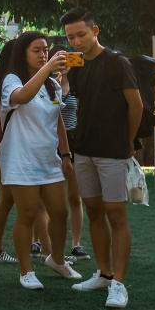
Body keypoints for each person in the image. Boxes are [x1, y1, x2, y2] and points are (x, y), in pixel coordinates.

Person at [61, 7, 141, 309]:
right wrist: (65, 77)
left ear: (96, 31)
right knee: (93, 211)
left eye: (81, 34)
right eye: (71, 37)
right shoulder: (76, 64)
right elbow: (77, 101)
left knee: (116, 216)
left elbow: (136, 105)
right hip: (84, 148)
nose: (77, 41)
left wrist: (129, 141)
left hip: (113, 150)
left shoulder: (118, 62)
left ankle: (119, 283)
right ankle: (104, 273)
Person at [0, 32, 82, 290]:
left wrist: (66, 155)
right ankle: (26, 271)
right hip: (20, 158)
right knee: (27, 213)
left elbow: (58, 121)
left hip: (49, 158)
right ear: (23, 53)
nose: (43, 54)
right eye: (37, 50)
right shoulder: (11, 79)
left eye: (45, 50)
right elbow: (20, 97)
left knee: (60, 212)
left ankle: (58, 259)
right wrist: (47, 70)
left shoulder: (52, 84)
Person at [56, 61, 91, 262]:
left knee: (75, 195)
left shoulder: (78, 87)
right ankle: (37, 240)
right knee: (48, 197)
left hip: (74, 142)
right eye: (59, 59)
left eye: (68, 59)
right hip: (51, 141)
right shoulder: (45, 84)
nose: (64, 64)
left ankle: (76, 244)